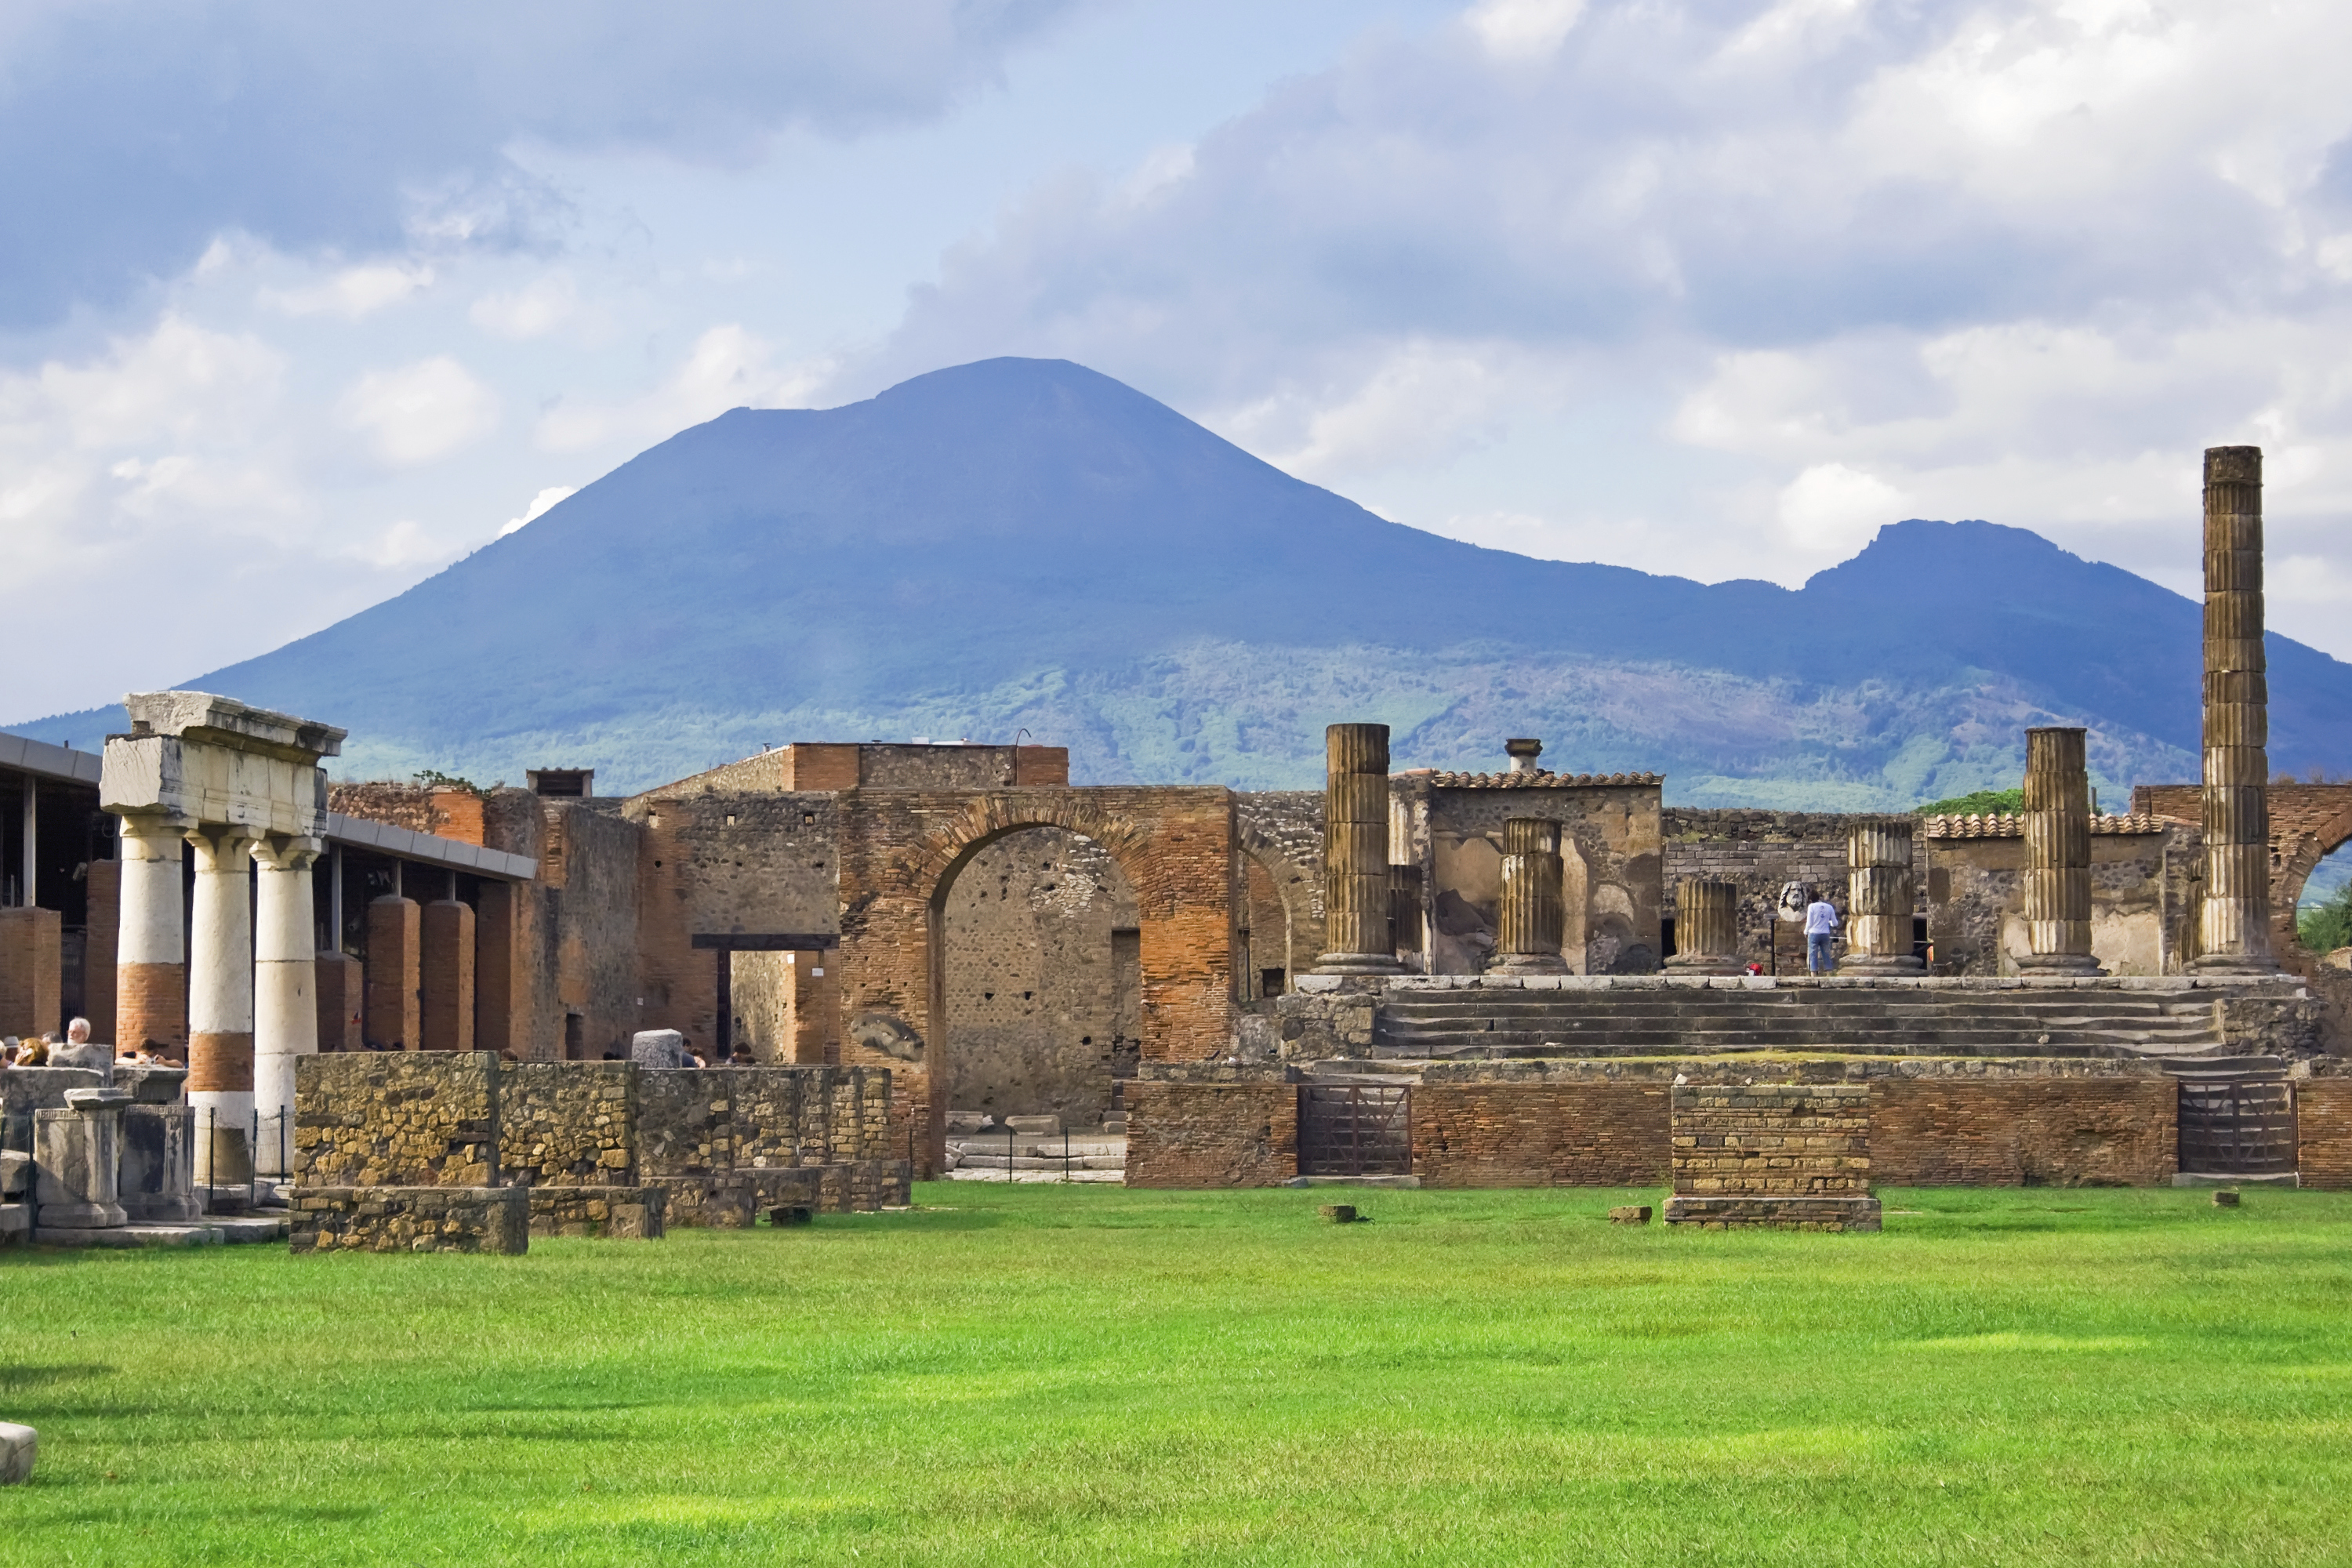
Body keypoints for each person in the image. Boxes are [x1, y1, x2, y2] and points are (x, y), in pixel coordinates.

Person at [1804, 889, 1840, 974]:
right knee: (1826, 954)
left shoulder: (1811, 907)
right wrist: (1828, 922)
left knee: (1813, 954)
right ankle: (1829, 973)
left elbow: (1809, 923)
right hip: (1825, 933)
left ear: (1810, 900)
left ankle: (1814, 975)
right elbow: (1835, 923)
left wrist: (1806, 932)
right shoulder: (1829, 907)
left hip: (1814, 933)